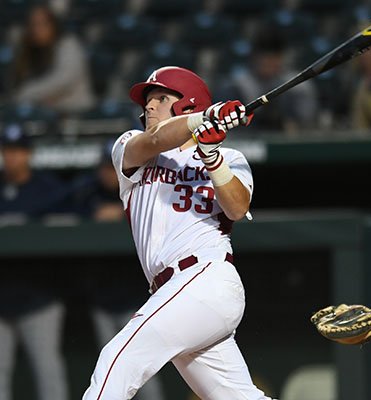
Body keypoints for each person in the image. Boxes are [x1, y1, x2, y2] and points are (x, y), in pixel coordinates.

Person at [82, 66, 273, 400]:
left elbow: (237, 208)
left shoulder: (230, 156)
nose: (149, 106)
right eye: (147, 100)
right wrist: (206, 118)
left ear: (188, 104)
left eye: (160, 97)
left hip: (206, 277)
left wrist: (212, 158)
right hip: (173, 294)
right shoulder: (132, 148)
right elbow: (156, 139)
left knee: (118, 358)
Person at [70, 140, 166, 400]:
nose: (108, 173)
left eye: (112, 167)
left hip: (138, 300)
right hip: (101, 299)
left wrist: (123, 213)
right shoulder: (87, 194)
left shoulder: (144, 188)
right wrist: (91, 215)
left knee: (143, 370)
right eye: (104, 167)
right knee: (110, 370)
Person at [0, 122, 69, 400]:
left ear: (29, 154)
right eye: (8, 151)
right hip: (1, 299)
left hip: (40, 298)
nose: (13, 157)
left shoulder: (49, 189)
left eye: (19, 151)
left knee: (47, 370)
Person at [219, 27, 318, 134]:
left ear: (281, 58)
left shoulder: (297, 86)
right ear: (255, 58)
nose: (269, 64)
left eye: (274, 59)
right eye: (264, 59)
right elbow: (225, 126)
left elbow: (308, 124)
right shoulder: (236, 85)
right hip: (248, 139)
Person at [7, 4, 95, 114]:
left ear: (54, 24)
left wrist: (27, 93)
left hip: (76, 114)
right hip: (40, 116)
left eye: (43, 24)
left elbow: (64, 80)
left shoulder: (68, 43)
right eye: (33, 25)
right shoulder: (27, 51)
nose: (37, 29)